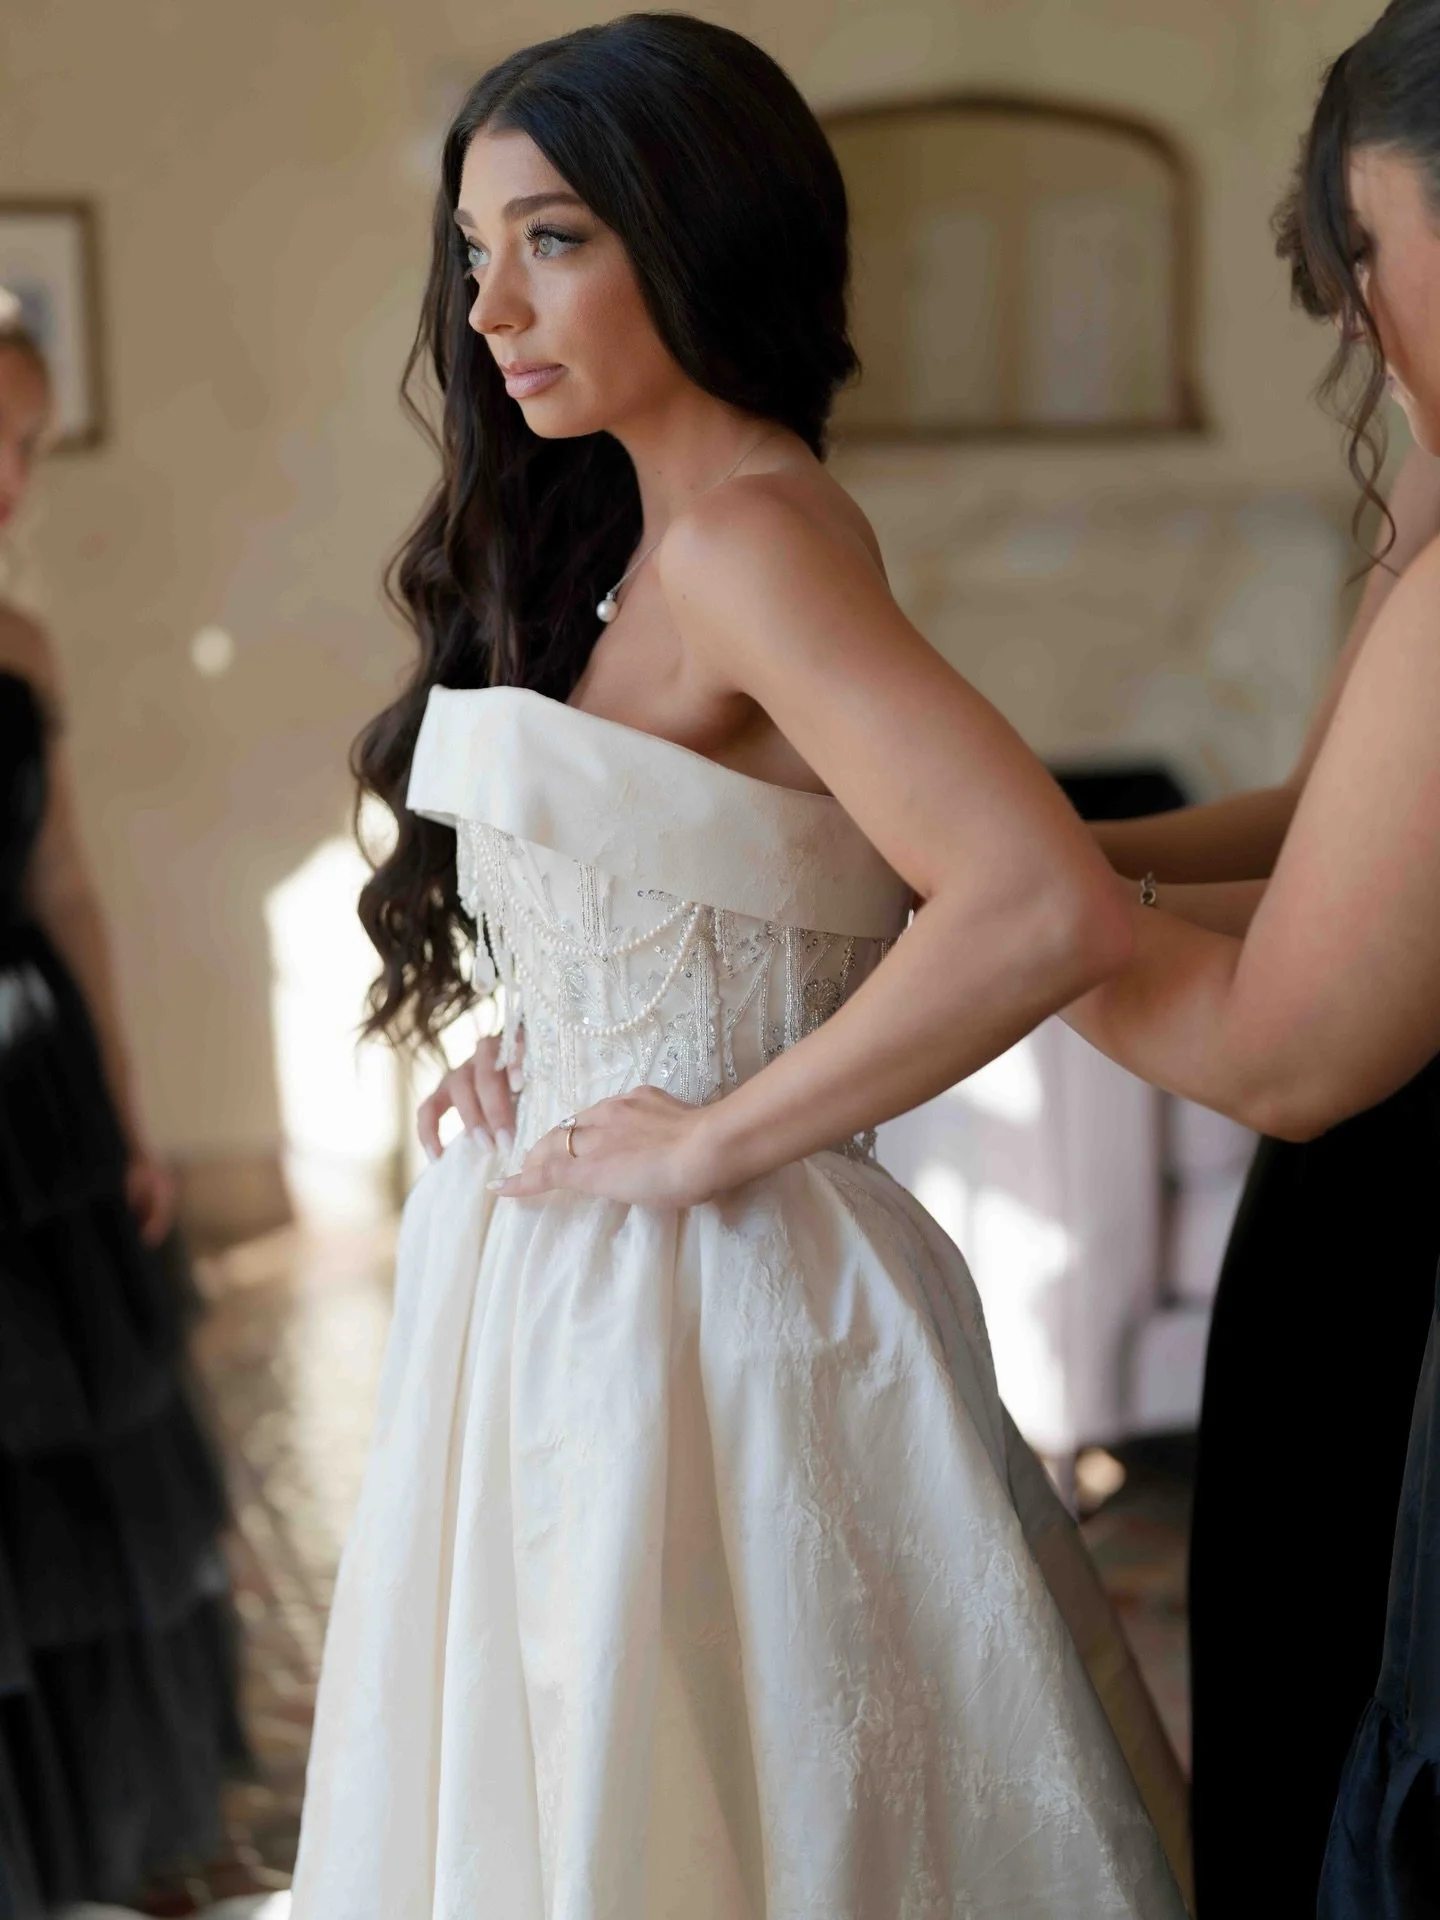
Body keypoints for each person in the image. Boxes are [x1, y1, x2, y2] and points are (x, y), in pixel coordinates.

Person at [292, 17, 1189, 1915]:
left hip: (705, 1303)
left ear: (693, 237)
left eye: (553, 241)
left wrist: (707, 1141)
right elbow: (763, 879)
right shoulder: (658, 539)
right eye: (474, 254)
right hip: (575, 1291)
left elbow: (1037, 907)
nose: (491, 310)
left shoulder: (754, 543)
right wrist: (547, 1035)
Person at [1063, 4, 1440, 1912]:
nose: (1365, 319)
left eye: (1373, 252)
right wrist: (1062, 853)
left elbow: (1291, 1039)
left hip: (1404, 1233)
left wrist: (1021, 920)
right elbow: (1337, 836)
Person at [0, 300, 250, 1914]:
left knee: (72, 1491)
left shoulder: (20, 643)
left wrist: (129, 1100)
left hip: (33, 1096)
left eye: (24, 446)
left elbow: (66, 881)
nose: (14, 479)